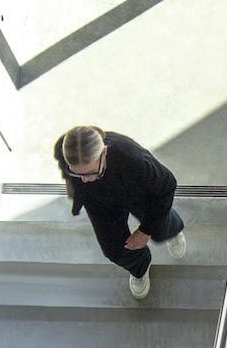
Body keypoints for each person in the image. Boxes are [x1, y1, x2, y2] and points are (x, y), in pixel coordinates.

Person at [57, 124, 188, 302]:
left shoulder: (132, 160)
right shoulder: (65, 149)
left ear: (103, 152)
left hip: (135, 192)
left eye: (91, 173)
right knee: (113, 248)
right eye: (77, 173)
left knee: (159, 224)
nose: (85, 180)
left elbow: (166, 186)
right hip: (99, 201)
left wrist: (145, 231)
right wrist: (71, 182)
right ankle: (139, 269)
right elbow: (65, 168)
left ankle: (172, 232)